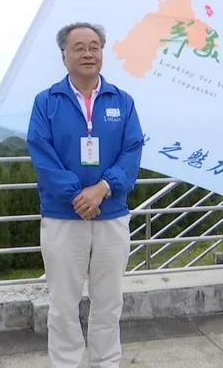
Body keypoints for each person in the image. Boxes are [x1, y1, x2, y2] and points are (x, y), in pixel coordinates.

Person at [27, 23, 144, 367]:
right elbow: (41, 152)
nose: (88, 53)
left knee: (109, 301)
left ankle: (106, 362)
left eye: (94, 46)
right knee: (63, 303)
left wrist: (103, 189)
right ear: (63, 55)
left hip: (112, 214)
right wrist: (77, 195)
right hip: (63, 216)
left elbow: (133, 149)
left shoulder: (122, 101)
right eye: (79, 47)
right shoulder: (46, 102)